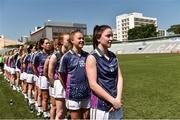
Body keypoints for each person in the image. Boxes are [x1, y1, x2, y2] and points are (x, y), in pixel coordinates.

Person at [86, 25, 123, 120]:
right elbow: (93, 85)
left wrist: (117, 99)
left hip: (116, 104)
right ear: (98, 38)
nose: (111, 38)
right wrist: (112, 101)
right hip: (100, 107)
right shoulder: (92, 57)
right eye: (108, 36)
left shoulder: (113, 56)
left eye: (112, 36)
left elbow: (119, 78)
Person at [58, 30, 91, 119]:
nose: (82, 40)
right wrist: (67, 88)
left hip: (86, 93)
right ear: (72, 41)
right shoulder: (66, 57)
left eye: (83, 38)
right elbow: (61, 75)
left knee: (86, 117)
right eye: (79, 38)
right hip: (73, 94)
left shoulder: (87, 56)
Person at [48, 33, 71, 119]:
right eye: (68, 40)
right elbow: (50, 74)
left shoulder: (70, 54)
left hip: (69, 83)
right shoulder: (55, 55)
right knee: (60, 112)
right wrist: (56, 85)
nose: (70, 42)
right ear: (61, 42)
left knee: (66, 110)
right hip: (59, 84)